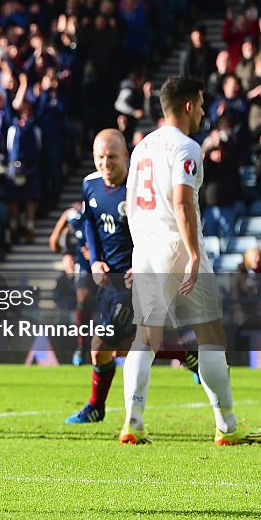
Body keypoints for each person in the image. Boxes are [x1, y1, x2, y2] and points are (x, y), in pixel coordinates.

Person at [123, 76, 261, 445]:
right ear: (188, 106)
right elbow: (182, 202)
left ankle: (132, 423)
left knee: (146, 336)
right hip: (178, 244)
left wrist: (138, 253)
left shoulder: (140, 148)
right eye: (202, 104)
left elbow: (131, 207)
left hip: (146, 249)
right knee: (211, 337)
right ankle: (227, 426)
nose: (204, 111)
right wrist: (192, 254)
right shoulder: (187, 147)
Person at [64, 129, 198, 425]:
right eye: (100, 157)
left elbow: (164, 229)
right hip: (107, 281)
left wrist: (144, 263)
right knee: (117, 348)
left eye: (112, 157)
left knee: (101, 346)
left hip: (135, 279)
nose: (105, 163)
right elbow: (90, 223)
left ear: (126, 156)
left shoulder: (140, 189)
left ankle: (96, 408)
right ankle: (186, 354)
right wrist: (96, 260)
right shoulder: (90, 184)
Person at [49, 202, 93, 366]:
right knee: (83, 297)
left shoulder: (100, 214)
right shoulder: (71, 216)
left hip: (105, 260)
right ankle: (82, 347)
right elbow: (53, 242)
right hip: (82, 265)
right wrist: (66, 253)